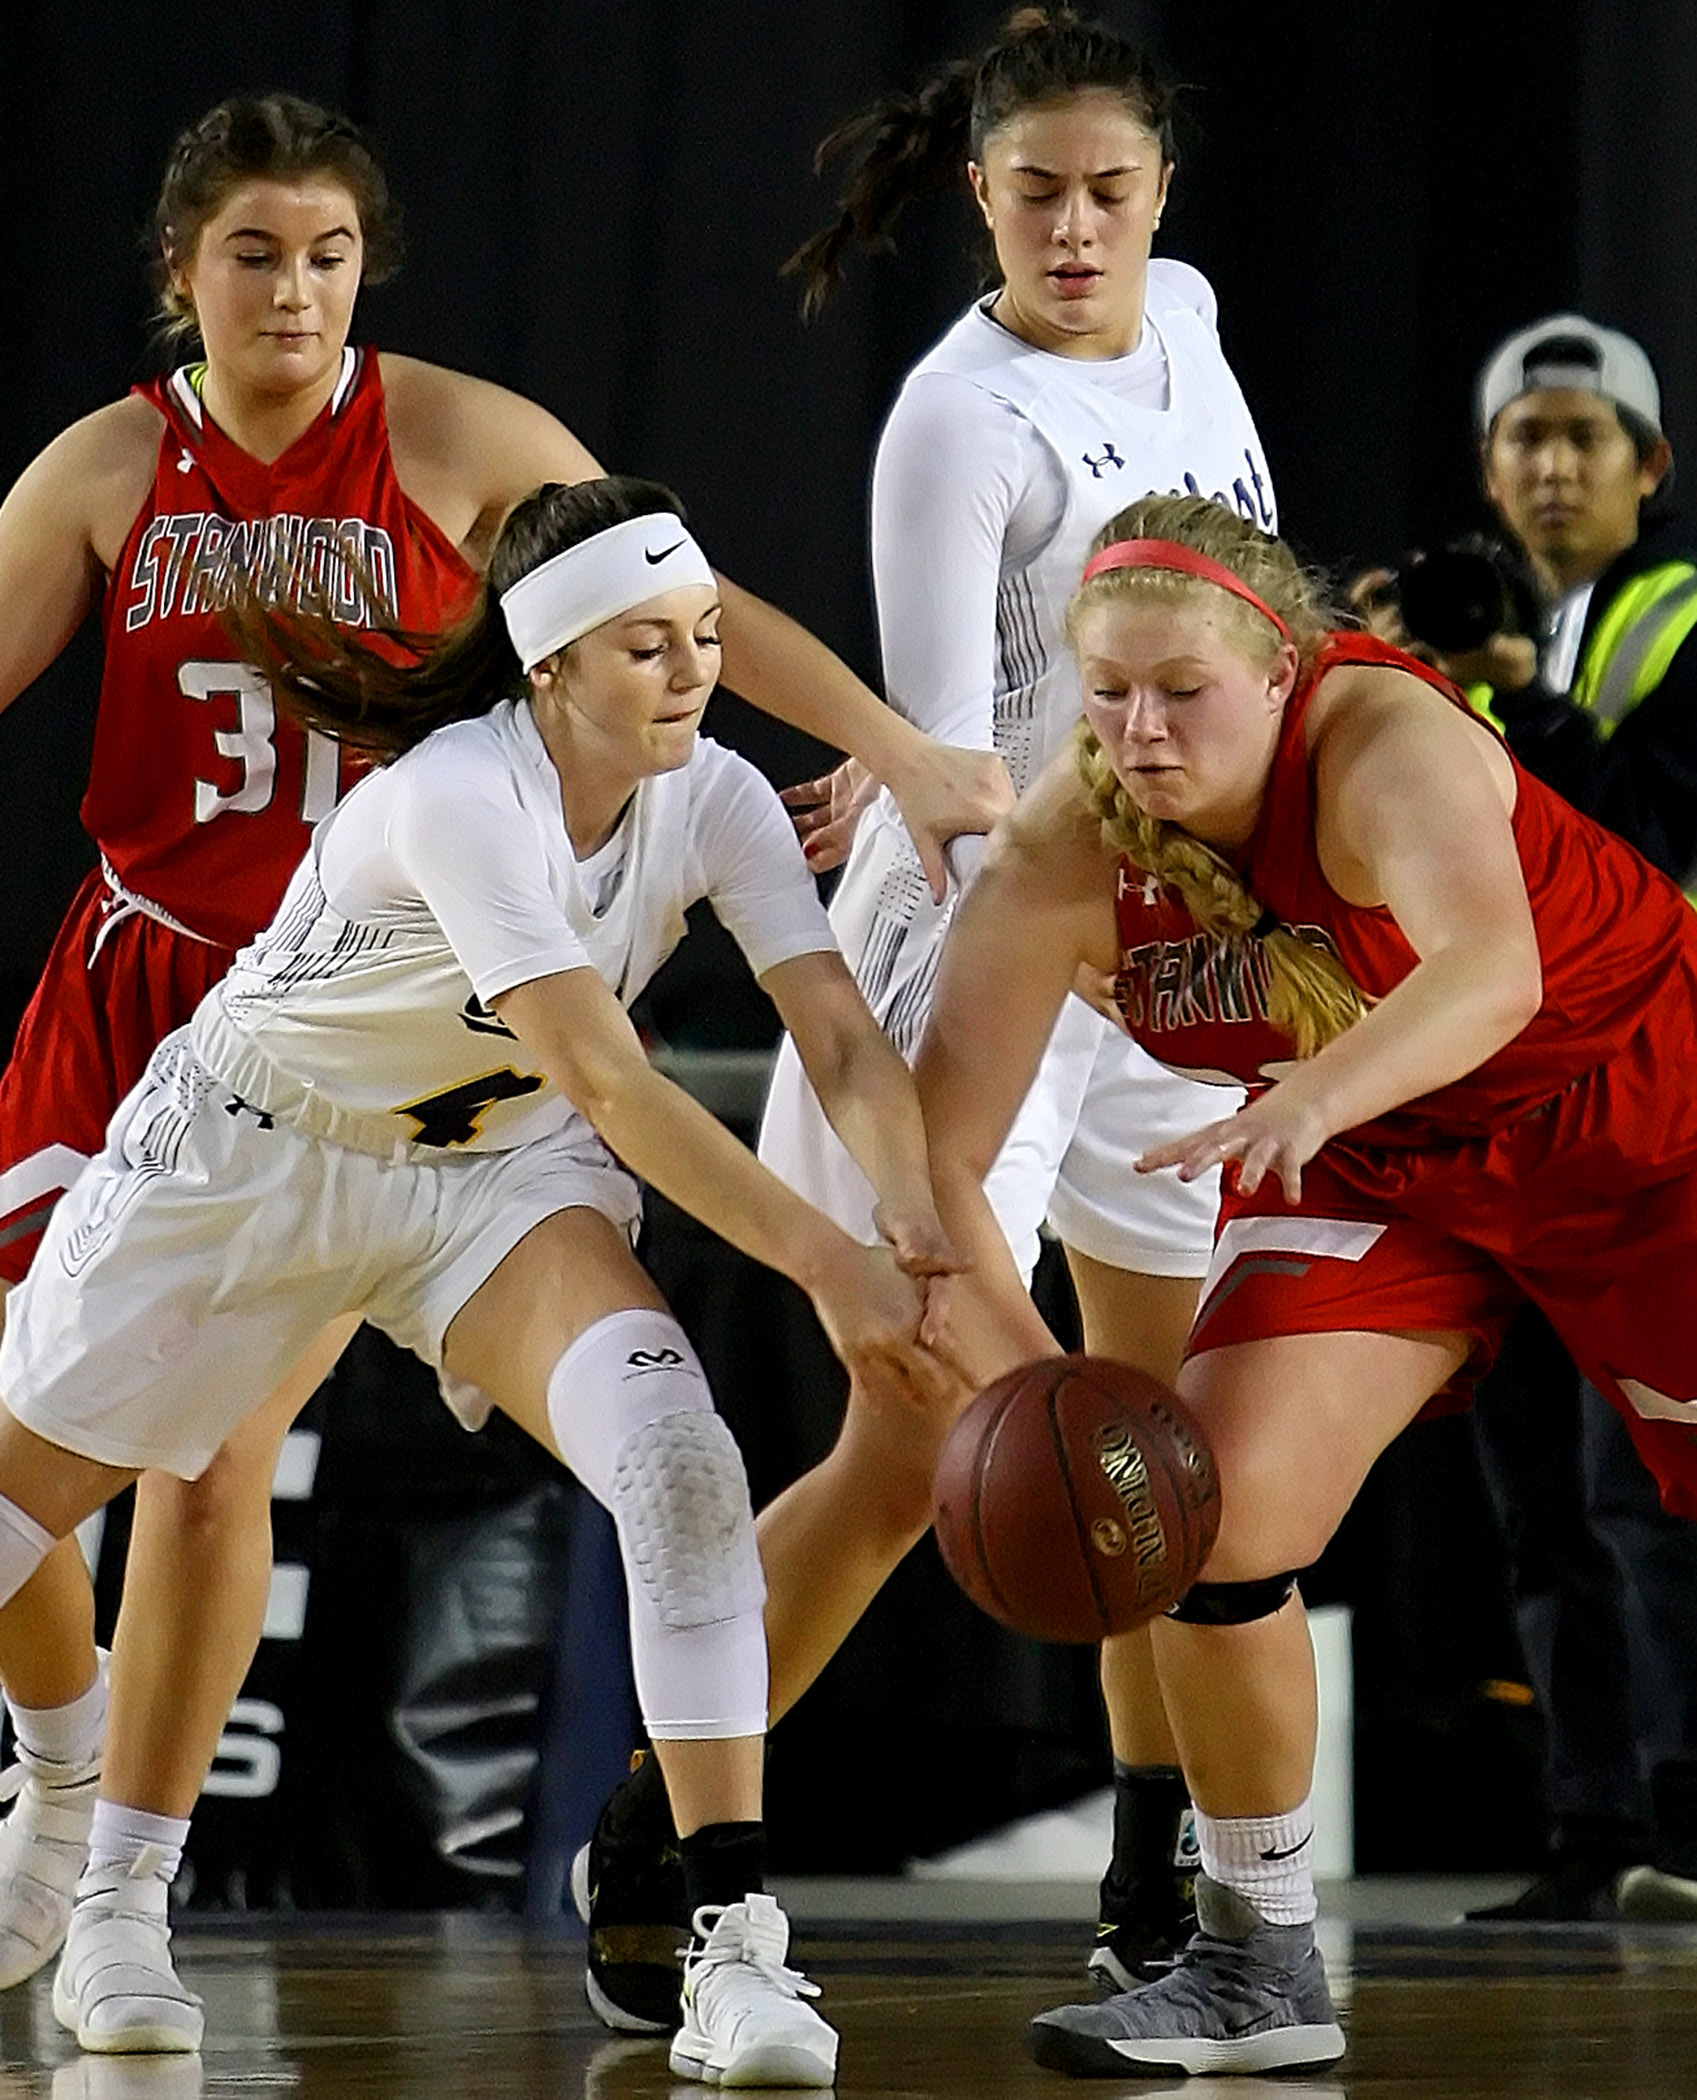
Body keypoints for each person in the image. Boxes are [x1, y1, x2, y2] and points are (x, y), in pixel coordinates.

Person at [0, 91, 1006, 2051]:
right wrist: (848, 1265)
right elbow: (626, 1079)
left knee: (612, 1455)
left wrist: (889, 746)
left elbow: (676, 615)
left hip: (468, 1122)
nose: (293, 289)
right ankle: (60, 1795)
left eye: (329, 253)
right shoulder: (131, 485)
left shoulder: (500, 494)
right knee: (98, 1474)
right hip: (213, 1049)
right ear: (179, 274)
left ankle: (711, 1939)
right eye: (252, 253)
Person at [575, 6, 1279, 2034]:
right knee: (950, 1459)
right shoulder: (957, 424)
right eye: (1036, 189)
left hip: (1173, 933)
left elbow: (1240, 625)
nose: (1076, 224)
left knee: (1183, 1434)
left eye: (1111, 189)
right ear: (978, 194)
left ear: (1163, 195)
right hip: (984, 958)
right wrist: (917, 778)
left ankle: (1160, 1861)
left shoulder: (1199, 321)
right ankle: (657, 1817)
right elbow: (977, 804)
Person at [911, 490, 1697, 2076]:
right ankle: (1254, 1961)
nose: (1135, 728)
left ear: (1284, 671)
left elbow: (1494, 972)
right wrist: (1025, 1370)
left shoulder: (1382, 742)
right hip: (1377, 1173)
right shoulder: (1070, 843)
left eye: (1178, 692)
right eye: (1107, 691)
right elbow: (939, 1151)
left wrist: (1317, 1094)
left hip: (1631, 1121)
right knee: (1200, 1508)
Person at [1361, 314, 1697, 1921]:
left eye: (1582, 436)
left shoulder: (1684, 626)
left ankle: (1683, 1821)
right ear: (1487, 471)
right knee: (1537, 1498)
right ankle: (1591, 1833)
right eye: (1522, 439)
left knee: (1645, 1481)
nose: (1550, 465)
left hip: (1657, 1111)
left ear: (1649, 465)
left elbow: (1637, 837)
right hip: (1501, 1116)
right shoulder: (1444, 651)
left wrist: (1507, 695)